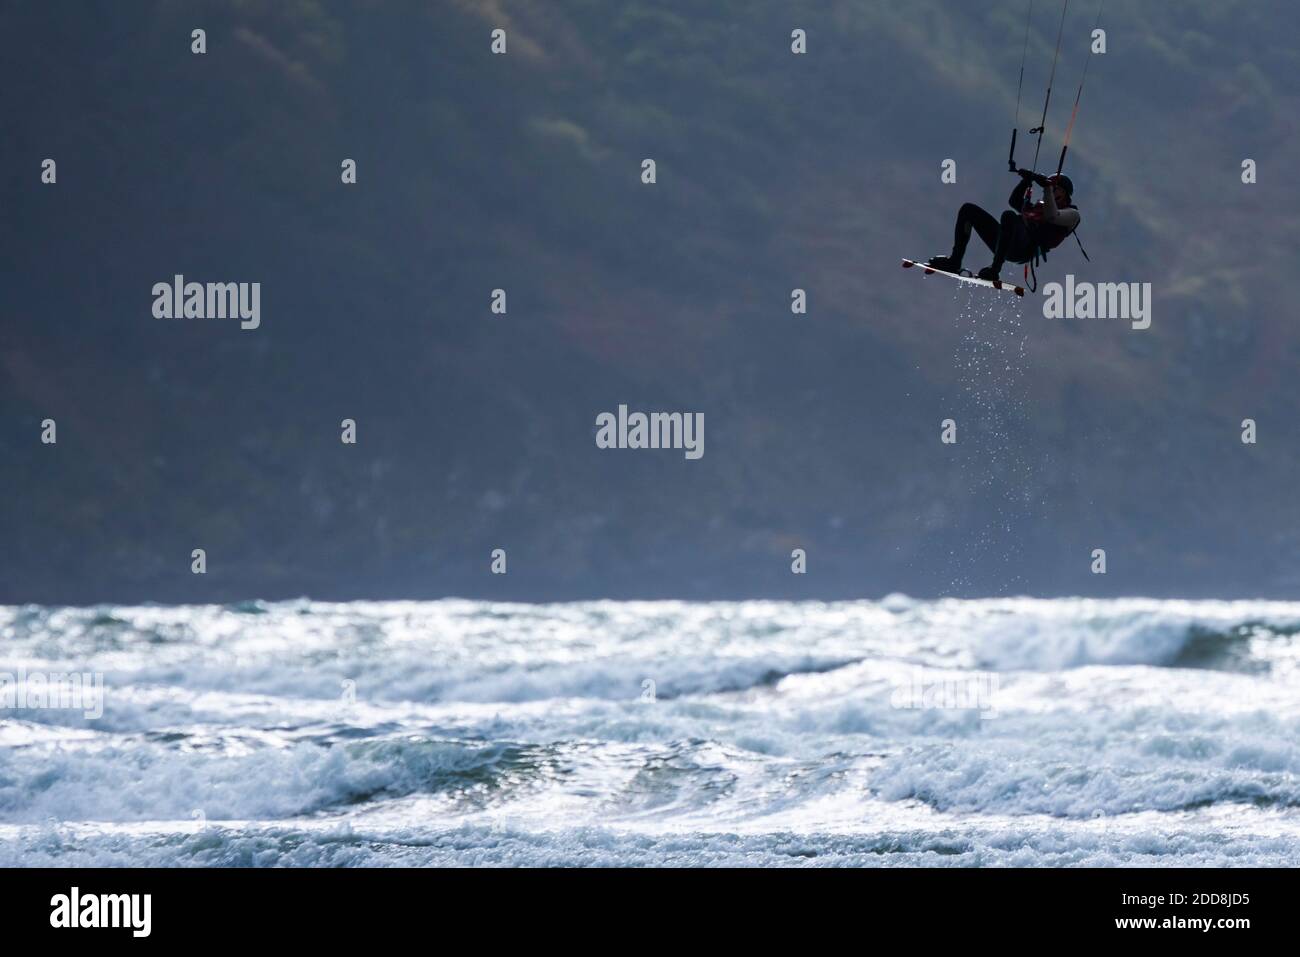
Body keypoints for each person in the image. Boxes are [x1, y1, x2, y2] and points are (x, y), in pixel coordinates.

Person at [927, 170, 1079, 281]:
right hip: (1006, 243)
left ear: (1065, 193)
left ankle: (995, 269)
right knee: (968, 210)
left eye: (1055, 189)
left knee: (1009, 217)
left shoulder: (1071, 214)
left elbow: (1052, 216)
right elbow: (1014, 202)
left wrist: (1046, 187)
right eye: (1050, 188)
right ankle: (955, 261)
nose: (1051, 192)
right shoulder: (1039, 208)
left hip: (1023, 249)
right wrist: (1026, 181)